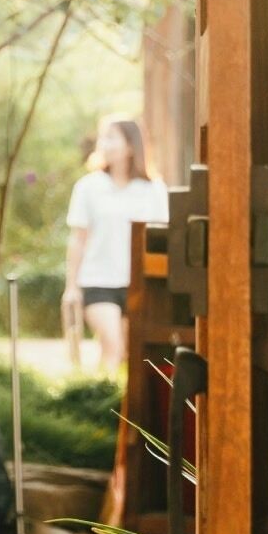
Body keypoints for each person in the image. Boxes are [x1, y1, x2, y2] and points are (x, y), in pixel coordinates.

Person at [63, 118, 169, 371]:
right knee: (114, 345)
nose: (105, 144)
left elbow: (162, 240)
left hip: (139, 282)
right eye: (103, 138)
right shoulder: (88, 187)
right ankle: (107, 407)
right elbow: (78, 239)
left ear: (131, 145)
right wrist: (71, 287)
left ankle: (114, 405)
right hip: (97, 281)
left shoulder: (153, 189)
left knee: (131, 355)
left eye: (112, 137)